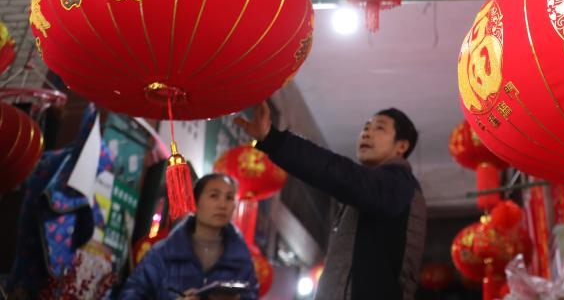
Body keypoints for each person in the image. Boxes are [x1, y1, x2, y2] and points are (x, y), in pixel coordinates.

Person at [235, 101, 426, 300]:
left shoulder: (399, 184)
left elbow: (336, 172)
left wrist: (273, 139)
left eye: (379, 128)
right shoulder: (373, 189)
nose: (367, 133)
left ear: (401, 146)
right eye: (366, 127)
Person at [120, 173, 259, 300]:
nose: (223, 205)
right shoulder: (163, 254)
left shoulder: (242, 261)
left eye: (229, 198)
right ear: (194, 203)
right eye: (214, 196)